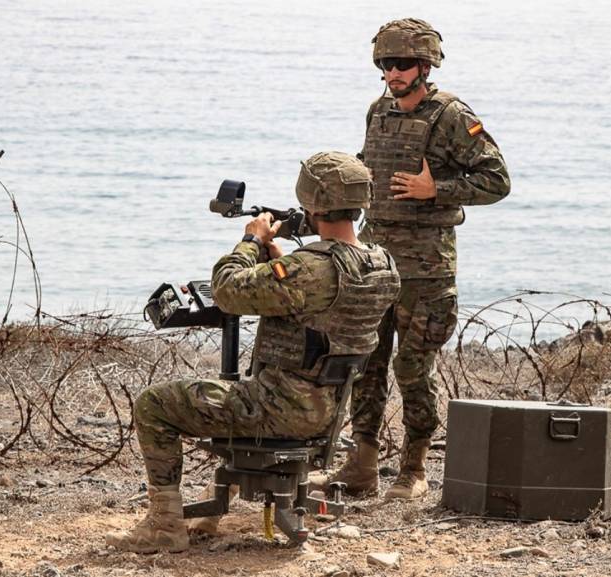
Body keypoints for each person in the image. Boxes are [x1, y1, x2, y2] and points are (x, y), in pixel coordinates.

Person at [106, 152, 400, 553]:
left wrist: (251, 240)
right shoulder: (383, 265)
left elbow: (227, 288)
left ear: (312, 203)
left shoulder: (308, 269)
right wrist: (283, 264)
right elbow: (326, 305)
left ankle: (164, 525)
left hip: (274, 409)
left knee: (153, 404)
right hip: (328, 413)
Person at [310, 18, 511, 500]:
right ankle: (362, 464)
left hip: (427, 270)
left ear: (425, 65)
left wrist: (435, 189)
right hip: (375, 261)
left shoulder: (453, 117)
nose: (392, 73)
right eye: (385, 64)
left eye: (402, 64)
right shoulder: (378, 112)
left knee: (413, 368)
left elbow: (497, 181)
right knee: (365, 363)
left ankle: (414, 468)